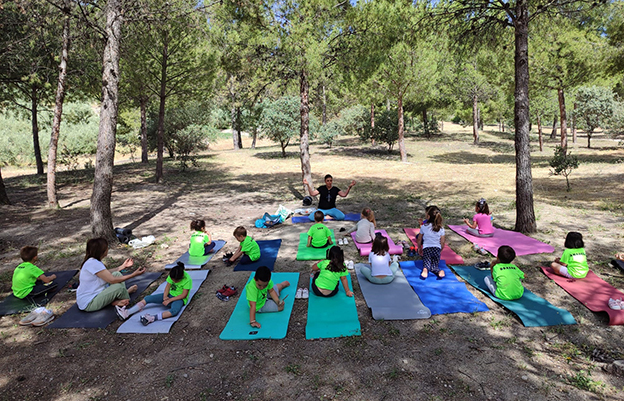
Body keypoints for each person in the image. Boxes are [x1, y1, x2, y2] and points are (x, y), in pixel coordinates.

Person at [76, 238, 146, 312]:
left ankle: (119, 299)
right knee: (119, 287)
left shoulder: (92, 261)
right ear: (102, 251)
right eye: (107, 248)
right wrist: (133, 275)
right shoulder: (93, 263)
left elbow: (105, 273)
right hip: (89, 302)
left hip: (96, 293)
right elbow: (112, 280)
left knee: (117, 274)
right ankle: (125, 295)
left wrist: (122, 267)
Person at [115, 262, 192, 325]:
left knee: (174, 311)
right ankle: (127, 313)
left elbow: (183, 295)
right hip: (169, 296)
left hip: (179, 299)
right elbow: (167, 287)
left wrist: (170, 300)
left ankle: (151, 318)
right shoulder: (173, 274)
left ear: (181, 277)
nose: (173, 282)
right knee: (148, 298)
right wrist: (165, 297)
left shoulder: (187, 279)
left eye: (175, 281)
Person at [418, 206, 446, 279]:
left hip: (427, 248)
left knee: (426, 263)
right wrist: (440, 250)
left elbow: (419, 238)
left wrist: (419, 248)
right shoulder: (441, 228)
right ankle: (439, 271)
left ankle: (425, 270)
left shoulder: (424, 226)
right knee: (434, 267)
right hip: (436, 249)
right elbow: (442, 242)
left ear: (428, 216)